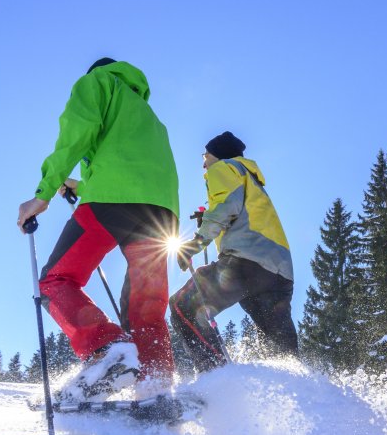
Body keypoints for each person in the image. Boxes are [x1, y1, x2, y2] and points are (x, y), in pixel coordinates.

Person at [18, 58, 179, 401]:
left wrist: (42, 194)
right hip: (162, 213)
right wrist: (80, 184)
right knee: (145, 305)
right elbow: (127, 165)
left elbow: (76, 135)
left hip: (111, 202)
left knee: (55, 280)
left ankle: (107, 348)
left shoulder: (97, 83)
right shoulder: (149, 117)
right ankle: (156, 386)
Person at [169, 131, 298, 374]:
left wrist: (196, 243)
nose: (203, 162)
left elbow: (227, 207)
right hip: (279, 273)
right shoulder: (251, 179)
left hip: (246, 262)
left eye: (205, 155)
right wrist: (209, 218)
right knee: (281, 350)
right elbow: (239, 212)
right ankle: (300, 392)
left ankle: (216, 379)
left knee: (182, 305)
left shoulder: (224, 168)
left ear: (218, 154)